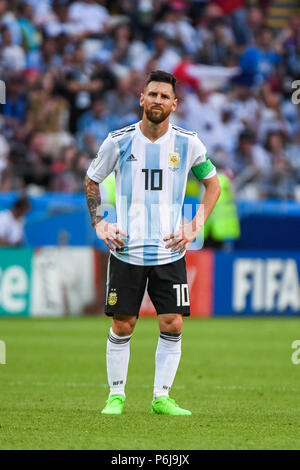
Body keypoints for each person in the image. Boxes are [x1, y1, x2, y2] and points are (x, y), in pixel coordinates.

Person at [84, 70, 221, 416]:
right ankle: (116, 396)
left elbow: (213, 185)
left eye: (164, 96)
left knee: (172, 322)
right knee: (123, 323)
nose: (158, 101)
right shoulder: (118, 141)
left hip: (170, 250)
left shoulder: (189, 143)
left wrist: (195, 226)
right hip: (126, 249)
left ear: (174, 104)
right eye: (152, 95)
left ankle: (162, 397)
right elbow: (92, 180)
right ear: (140, 99)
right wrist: (100, 223)